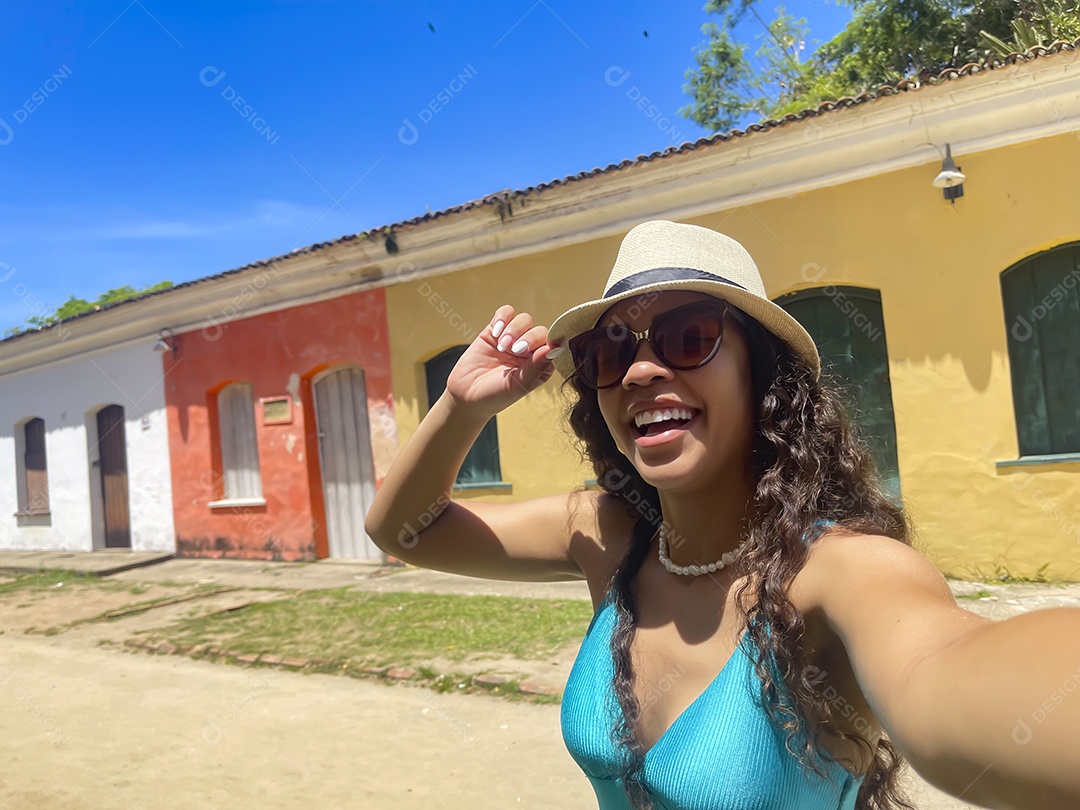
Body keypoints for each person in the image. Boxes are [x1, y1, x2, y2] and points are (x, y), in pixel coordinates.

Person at [364, 220, 1080, 810]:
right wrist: (463, 407)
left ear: (761, 372)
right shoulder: (609, 537)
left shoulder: (837, 573)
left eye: (686, 337)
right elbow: (405, 531)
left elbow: (948, 682)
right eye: (611, 351)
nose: (641, 371)